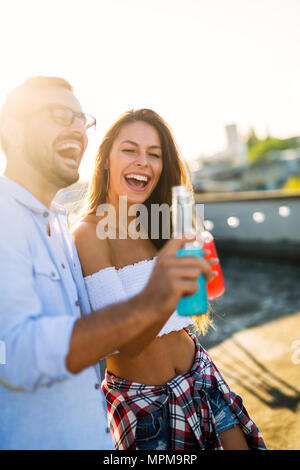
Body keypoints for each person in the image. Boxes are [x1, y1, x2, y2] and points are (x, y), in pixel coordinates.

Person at [0, 77, 211, 450]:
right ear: (11, 130)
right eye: (60, 114)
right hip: (143, 411)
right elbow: (14, 353)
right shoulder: (10, 220)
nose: (78, 129)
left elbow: (90, 336)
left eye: (83, 120)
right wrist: (152, 299)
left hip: (189, 386)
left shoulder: (56, 226)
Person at [73, 109, 267, 451]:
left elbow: (191, 307)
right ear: (105, 160)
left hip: (202, 377)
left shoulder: (160, 223)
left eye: (154, 154)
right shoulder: (90, 234)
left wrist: (196, 279)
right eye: (130, 150)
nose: (143, 161)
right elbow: (129, 342)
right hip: (147, 407)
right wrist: (169, 282)